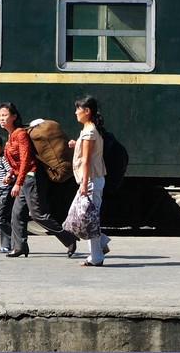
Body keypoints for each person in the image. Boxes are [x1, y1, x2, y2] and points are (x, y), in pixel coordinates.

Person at [0, 102, 78, 258]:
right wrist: (10, 173)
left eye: (5, 115)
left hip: (32, 177)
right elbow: (19, 162)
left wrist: (18, 183)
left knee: (38, 213)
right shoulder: (11, 135)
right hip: (24, 177)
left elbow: (27, 159)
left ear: (14, 116)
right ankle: (20, 247)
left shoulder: (20, 134)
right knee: (17, 214)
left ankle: (69, 238)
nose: (1, 118)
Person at [68, 94, 112, 267]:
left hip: (91, 179)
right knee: (87, 217)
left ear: (87, 111)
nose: (75, 113)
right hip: (94, 178)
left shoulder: (89, 132)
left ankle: (96, 257)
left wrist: (84, 184)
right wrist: (76, 143)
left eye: (78, 109)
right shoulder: (90, 130)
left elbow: (86, 160)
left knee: (88, 219)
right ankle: (100, 243)